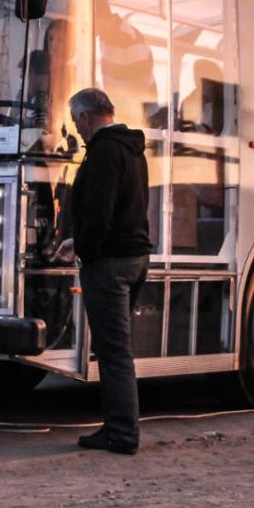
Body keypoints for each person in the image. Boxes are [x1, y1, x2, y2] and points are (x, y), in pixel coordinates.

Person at [54, 87, 152, 456]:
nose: (76, 129)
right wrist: (77, 243)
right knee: (117, 348)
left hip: (109, 264)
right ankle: (117, 426)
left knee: (113, 351)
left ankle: (122, 432)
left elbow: (99, 213)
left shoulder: (103, 154)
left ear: (84, 117)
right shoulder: (131, 150)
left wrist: (84, 249)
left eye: (75, 120)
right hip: (134, 257)